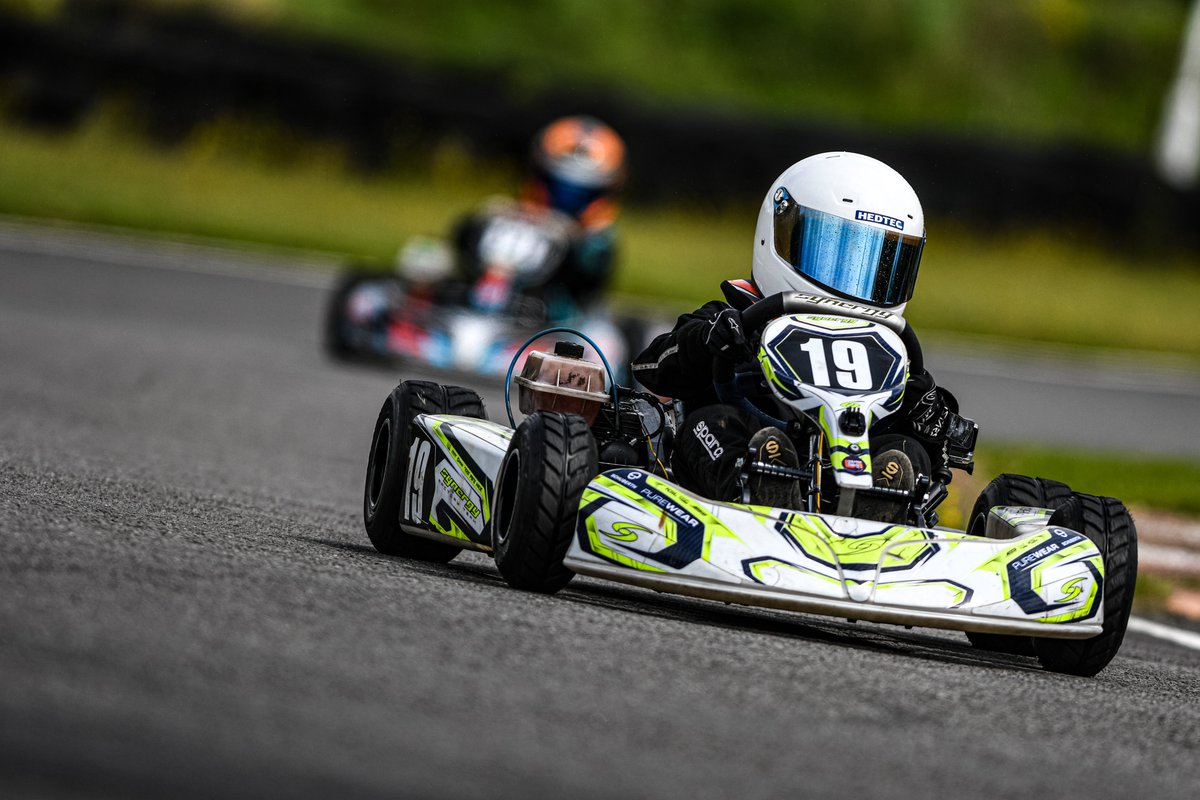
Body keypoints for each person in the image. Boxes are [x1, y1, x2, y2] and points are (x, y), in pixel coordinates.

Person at [631, 152, 973, 520]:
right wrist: (707, 342)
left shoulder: (889, 353)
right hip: (723, 492)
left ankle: (876, 514)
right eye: (831, 251)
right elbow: (650, 365)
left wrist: (925, 412)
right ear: (779, 233)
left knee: (907, 451)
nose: (849, 286)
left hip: (843, 486)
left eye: (874, 264)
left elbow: (942, 448)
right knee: (712, 423)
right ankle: (764, 493)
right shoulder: (734, 319)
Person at [451, 115, 627, 318]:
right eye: (559, 187)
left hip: (553, 320)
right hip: (489, 305)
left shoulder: (596, 242)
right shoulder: (501, 213)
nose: (567, 198)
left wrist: (574, 240)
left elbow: (590, 281)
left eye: (582, 193)